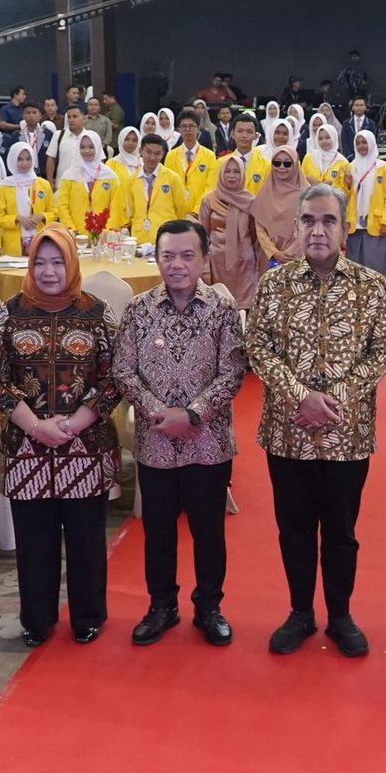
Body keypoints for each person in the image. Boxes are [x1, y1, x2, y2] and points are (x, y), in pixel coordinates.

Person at [246, 184, 386, 657]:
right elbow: (259, 347)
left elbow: (381, 352)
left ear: (345, 228)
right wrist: (300, 396)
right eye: (309, 220)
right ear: (296, 226)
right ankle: (299, 612)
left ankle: (341, 614)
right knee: (293, 528)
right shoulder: (273, 285)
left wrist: (332, 398)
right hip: (286, 433)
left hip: (346, 435)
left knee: (341, 531)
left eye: (328, 221)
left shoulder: (371, 287)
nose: (317, 229)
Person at [0, 224, 119, 647]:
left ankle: (88, 617)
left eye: (57, 261)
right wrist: (36, 426)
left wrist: (76, 423)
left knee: (86, 539)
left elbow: (114, 378)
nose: (47, 271)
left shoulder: (96, 313)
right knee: (34, 540)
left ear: (71, 263)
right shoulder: (10, 313)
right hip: (27, 445)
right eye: (39, 262)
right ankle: (37, 619)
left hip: (86, 445)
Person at [117, 218, 246, 649]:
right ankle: (161, 606)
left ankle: (209, 607)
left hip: (207, 442)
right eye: (168, 255)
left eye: (187, 255)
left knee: (209, 530)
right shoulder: (138, 309)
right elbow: (123, 371)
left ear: (204, 259)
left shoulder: (222, 309)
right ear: (156, 258)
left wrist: (192, 414)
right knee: (158, 530)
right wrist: (160, 414)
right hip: (155, 442)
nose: (177, 265)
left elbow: (232, 371)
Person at [198, 154, 261, 308]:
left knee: (244, 309)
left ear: (243, 174)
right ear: (221, 174)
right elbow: (202, 235)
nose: (232, 176)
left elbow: (254, 235)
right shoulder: (209, 200)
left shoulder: (251, 201)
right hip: (217, 262)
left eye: (236, 171)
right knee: (219, 306)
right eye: (228, 171)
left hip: (244, 264)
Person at [57, 131, 128, 236]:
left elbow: (116, 207)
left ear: (98, 147)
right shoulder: (69, 176)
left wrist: (107, 232)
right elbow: (63, 206)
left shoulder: (110, 176)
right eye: (83, 147)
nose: (87, 151)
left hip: (104, 237)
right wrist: (72, 230)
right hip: (76, 237)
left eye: (91, 147)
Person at [345, 129, 386, 277]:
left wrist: (385, 221)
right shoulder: (350, 167)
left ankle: (378, 296)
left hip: (376, 223)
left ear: (371, 143)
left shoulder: (383, 167)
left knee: (376, 264)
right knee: (354, 264)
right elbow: (343, 197)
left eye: (364, 142)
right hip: (354, 225)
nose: (361, 146)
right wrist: (347, 184)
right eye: (358, 143)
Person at [0, 142, 56, 258]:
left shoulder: (43, 184)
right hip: (14, 245)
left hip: (41, 240)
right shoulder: (4, 186)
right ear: (12, 159)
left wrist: (42, 216)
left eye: (28, 159)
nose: (25, 163)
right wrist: (17, 218)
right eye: (20, 159)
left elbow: (54, 212)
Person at [252, 145, 308, 266]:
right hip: (269, 258)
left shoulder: (307, 195)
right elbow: (259, 227)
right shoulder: (265, 191)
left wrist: (289, 253)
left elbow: (309, 226)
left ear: (296, 165)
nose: (281, 167)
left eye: (287, 164)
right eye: (277, 163)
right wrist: (274, 252)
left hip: (298, 256)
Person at [125, 134, 187, 238]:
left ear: (163, 154)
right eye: (148, 152)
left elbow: (181, 210)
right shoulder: (131, 179)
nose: (152, 157)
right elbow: (131, 210)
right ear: (140, 151)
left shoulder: (173, 178)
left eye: (157, 153)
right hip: (140, 237)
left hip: (166, 237)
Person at [165, 110, 218, 213]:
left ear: (198, 129)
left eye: (191, 126)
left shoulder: (209, 156)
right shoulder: (171, 155)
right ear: (179, 130)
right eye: (184, 127)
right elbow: (167, 185)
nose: (187, 130)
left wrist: (197, 211)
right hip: (176, 212)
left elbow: (211, 187)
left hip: (202, 212)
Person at [227, 110, 271, 191]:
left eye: (249, 132)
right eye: (240, 131)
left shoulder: (266, 166)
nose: (244, 135)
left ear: (256, 136)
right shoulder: (221, 163)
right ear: (232, 134)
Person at [45, 105, 88, 184]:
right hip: (62, 185)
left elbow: (98, 161)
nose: (71, 120)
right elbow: (51, 159)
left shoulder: (90, 137)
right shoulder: (58, 135)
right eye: (69, 117)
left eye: (75, 117)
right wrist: (50, 182)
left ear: (84, 118)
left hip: (85, 185)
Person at [302, 122, 350, 190]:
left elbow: (346, 192)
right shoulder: (309, 157)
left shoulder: (343, 162)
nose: (324, 141)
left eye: (327, 138)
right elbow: (300, 183)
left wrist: (332, 186)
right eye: (320, 139)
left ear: (334, 138)